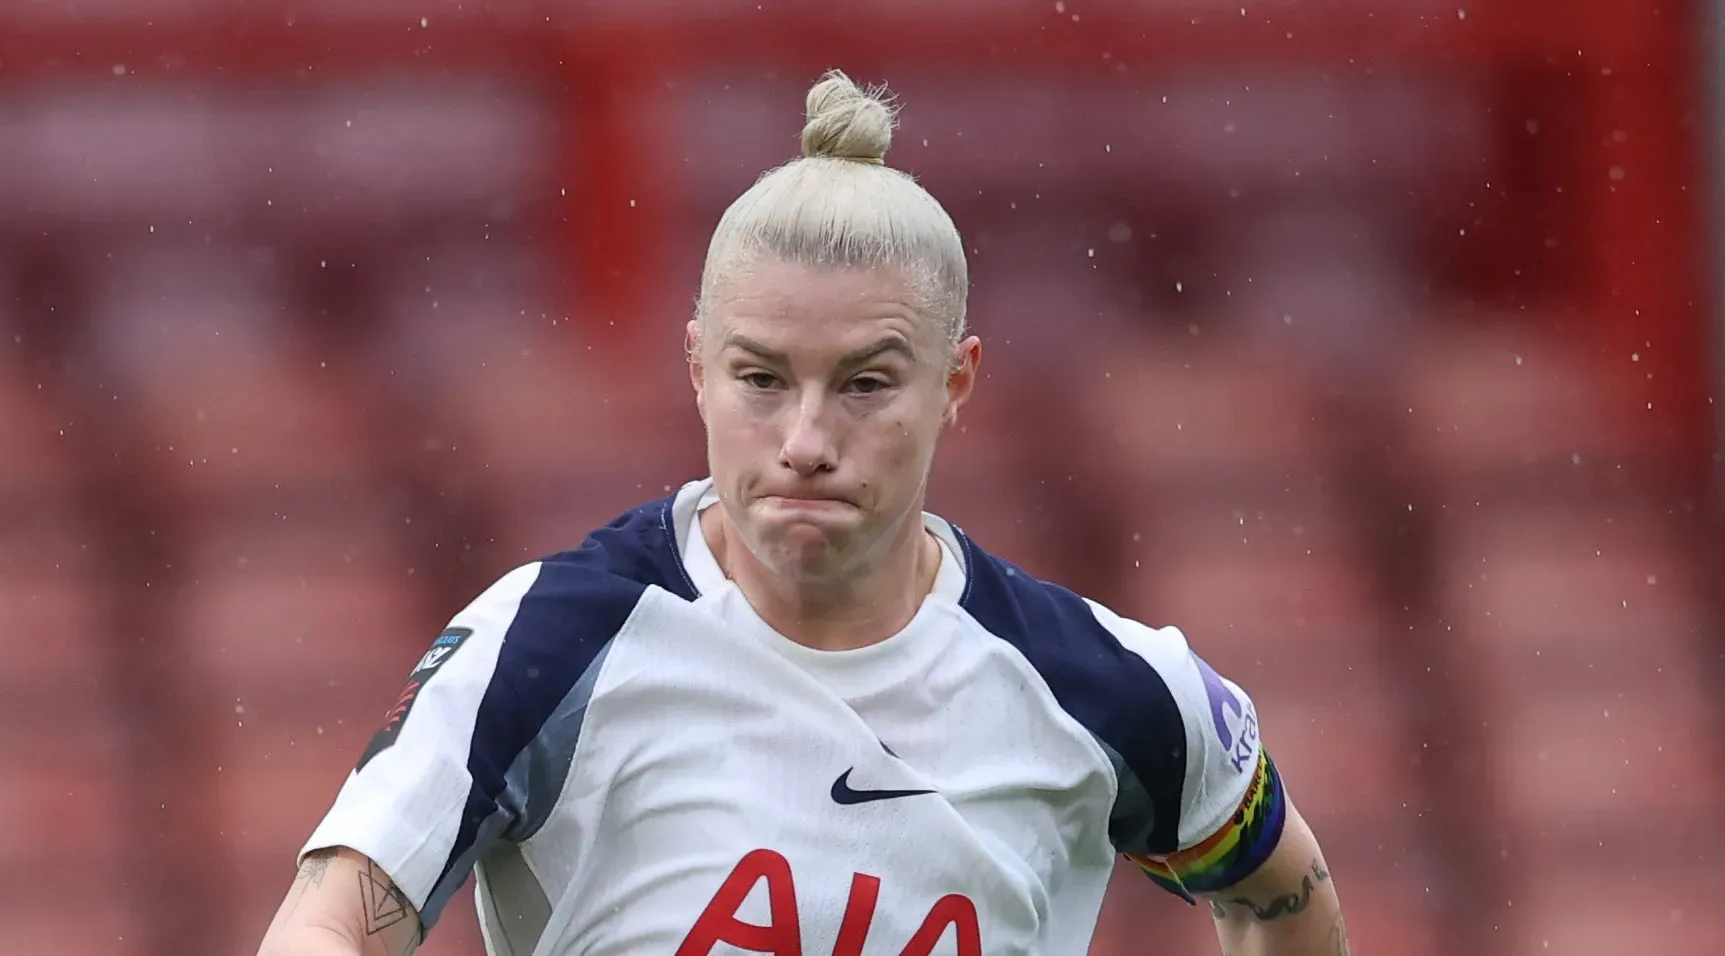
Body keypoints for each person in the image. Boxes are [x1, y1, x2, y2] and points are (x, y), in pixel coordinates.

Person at [255, 69, 1350, 956]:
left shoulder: (1108, 685)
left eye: (866, 383)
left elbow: (1275, 890)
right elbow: (331, 917)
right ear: (695, 367)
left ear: (955, 382)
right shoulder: (543, 642)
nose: (806, 439)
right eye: (761, 377)